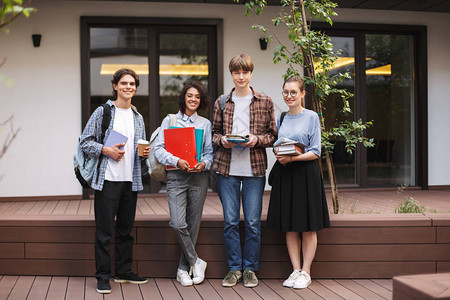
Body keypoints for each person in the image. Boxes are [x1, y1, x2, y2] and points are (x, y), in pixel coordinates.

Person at [79, 68, 150, 294]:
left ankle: (123, 272)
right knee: (104, 232)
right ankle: (102, 277)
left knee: (125, 231)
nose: (128, 87)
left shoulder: (138, 117)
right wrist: (106, 150)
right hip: (107, 180)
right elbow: (85, 141)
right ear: (115, 86)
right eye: (124, 83)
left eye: (132, 84)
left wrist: (144, 155)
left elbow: (138, 148)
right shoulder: (103, 112)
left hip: (131, 181)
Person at [212, 54, 277, 288]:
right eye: (236, 73)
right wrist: (224, 141)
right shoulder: (222, 102)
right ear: (231, 74)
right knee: (229, 221)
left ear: (251, 73)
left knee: (252, 222)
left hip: (254, 170)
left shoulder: (265, 101)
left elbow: (273, 136)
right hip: (226, 170)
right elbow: (214, 134)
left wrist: (256, 139)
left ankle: (249, 269)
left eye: (245, 72)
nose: (241, 77)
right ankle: (233, 269)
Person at [266, 77, 330, 289]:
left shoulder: (312, 117)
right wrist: (279, 152)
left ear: (303, 94)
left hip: (305, 174)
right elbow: (278, 144)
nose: (289, 96)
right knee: (290, 226)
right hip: (286, 174)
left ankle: (306, 272)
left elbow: (315, 151)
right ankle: (295, 270)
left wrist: (292, 158)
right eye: (285, 92)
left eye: (293, 92)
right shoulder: (282, 117)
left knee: (308, 226)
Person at [153, 81, 214, 287]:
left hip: (198, 178)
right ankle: (196, 261)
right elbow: (158, 150)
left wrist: (204, 164)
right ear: (183, 97)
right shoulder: (170, 121)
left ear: (201, 100)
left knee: (193, 223)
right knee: (178, 223)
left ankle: (182, 269)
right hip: (176, 177)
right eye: (190, 96)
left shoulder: (205, 124)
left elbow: (209, 154)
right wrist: (177, 161)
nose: (193, 99)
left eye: (197, 96)